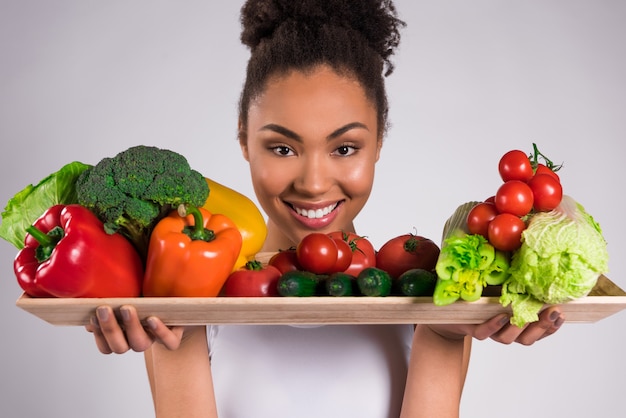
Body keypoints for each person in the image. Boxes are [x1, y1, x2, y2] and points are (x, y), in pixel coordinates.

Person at [86, 1, 564, 417]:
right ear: (243, 140)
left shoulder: (425, 300)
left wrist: (443, 334)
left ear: (378, 142)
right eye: (281, 148)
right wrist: (166, 333)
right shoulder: (188, 304)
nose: (313, 184)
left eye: (344, 148)